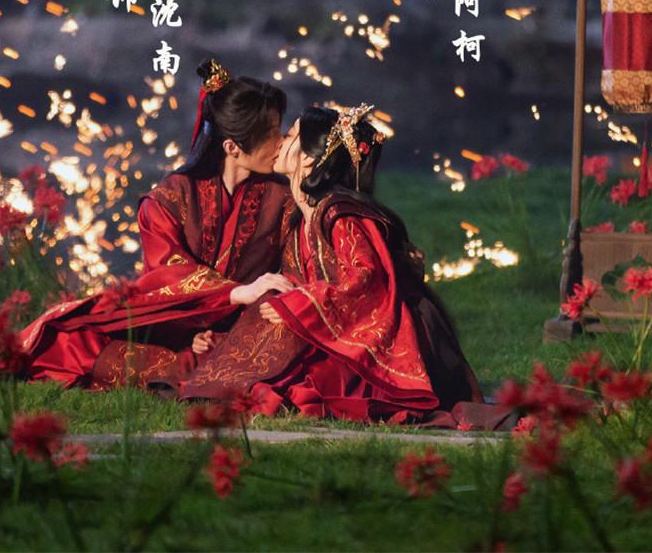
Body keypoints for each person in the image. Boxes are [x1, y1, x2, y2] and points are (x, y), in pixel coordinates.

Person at [178, 103, 504, 428]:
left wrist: (300, 303)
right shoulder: (299, 221)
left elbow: (365, 281)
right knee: (248, 371)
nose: (278, 142)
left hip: (387, 334)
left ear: (307, 157)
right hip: (340, 326)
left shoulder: (342, 215)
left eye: (289, 135)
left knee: (301, 387)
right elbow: (297, 285)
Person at [13, 59, 299, 389]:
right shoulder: (167, 199)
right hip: (176, 328)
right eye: (270, 134)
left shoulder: (282, 196)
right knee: (74, 341)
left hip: (247, 327)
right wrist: (236, 293)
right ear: (232, 147)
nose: (281, 141)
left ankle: (208, 366)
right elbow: (167, 277)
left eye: (280, 129)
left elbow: (292, 270)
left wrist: (251, 307)